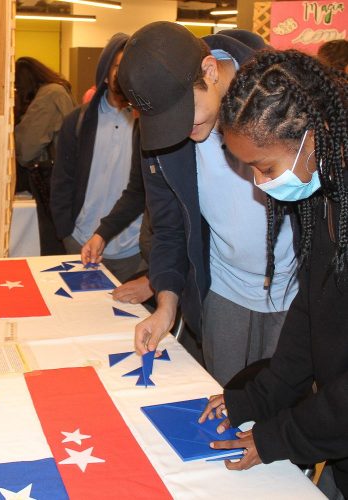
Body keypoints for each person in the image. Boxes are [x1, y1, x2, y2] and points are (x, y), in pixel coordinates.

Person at [199, 49, 347, 500]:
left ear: (313, 136)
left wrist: (276, 437)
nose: (260, 185)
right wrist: (254, 399)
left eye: (265, 168)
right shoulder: (321, 195)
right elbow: (309, 314)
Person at [117, 22, 298, 385]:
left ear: (210, 71)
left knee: (280, 410)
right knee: (223, 398)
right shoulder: (164, 134)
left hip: (295, 292)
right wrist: (166, 306)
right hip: (223, 290)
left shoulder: (284, 98)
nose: (180, 131)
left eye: (186, 115)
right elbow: (169, 227)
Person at [51, 33, 146, 284]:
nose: (125, 73)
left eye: (131, 66)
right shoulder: (78, 121)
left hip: (132, 252)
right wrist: (66, 233)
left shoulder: (149, 125)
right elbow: (62, 181)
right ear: (105, 72)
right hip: (80, 243)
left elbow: (143, 190)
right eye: (118, 66)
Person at [15, 57, 75, 255]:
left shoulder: (49, 94)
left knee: (53, 243)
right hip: (61, 177)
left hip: (51, 178)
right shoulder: (56, 90)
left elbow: (26, 149)